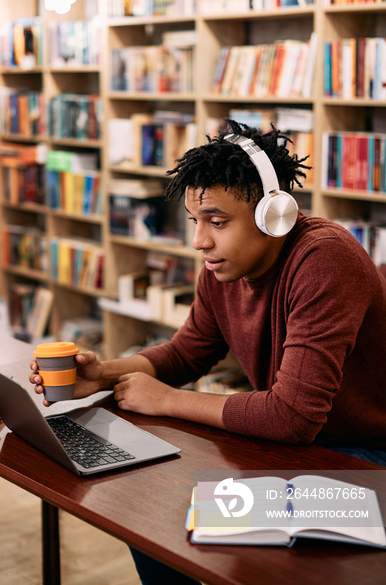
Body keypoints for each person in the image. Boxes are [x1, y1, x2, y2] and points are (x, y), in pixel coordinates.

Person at [30, 120, 386, 584]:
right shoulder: (222, 267)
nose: (200, 241)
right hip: (301, 451)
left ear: (271, 215)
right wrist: (104, 375)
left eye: (217, 222)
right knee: (151, 511)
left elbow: (292, 416)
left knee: (205, 532)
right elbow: (187, 353)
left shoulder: (324, 259)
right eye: (195, 221)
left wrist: (165, 399)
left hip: (366, 457)